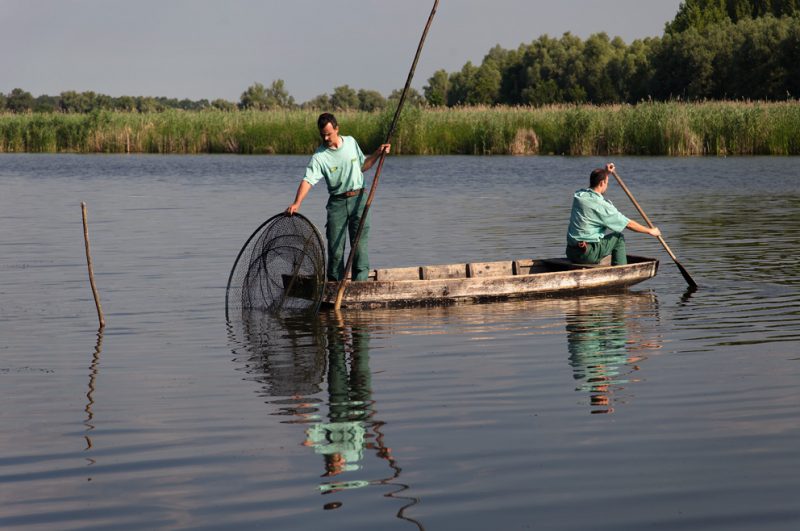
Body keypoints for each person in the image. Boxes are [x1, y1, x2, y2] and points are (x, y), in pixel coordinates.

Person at [287, 113, 390, 281]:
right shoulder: (320, 157)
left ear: (337, 128)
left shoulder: (350, 142)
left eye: (329, 133)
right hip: (337, 204)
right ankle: (335, 286)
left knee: (360, 248)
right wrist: (297, 203)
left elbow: (362, 166)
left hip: (359, 199)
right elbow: (308, 180)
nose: (326, 138)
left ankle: (360, 285)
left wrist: (378, 153)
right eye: (323, 135)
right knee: (336, 250)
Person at [566, 162, 661, 266]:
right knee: (618, 238)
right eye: (607, 183)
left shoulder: (579, 195)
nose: (607, 186)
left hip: (571, 252)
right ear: (602, 183)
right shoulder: (602, 206)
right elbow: (628, 224)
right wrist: (650, 231)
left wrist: (606, 173)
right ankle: (622, 271)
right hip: (587, 255)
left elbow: (597, 182)